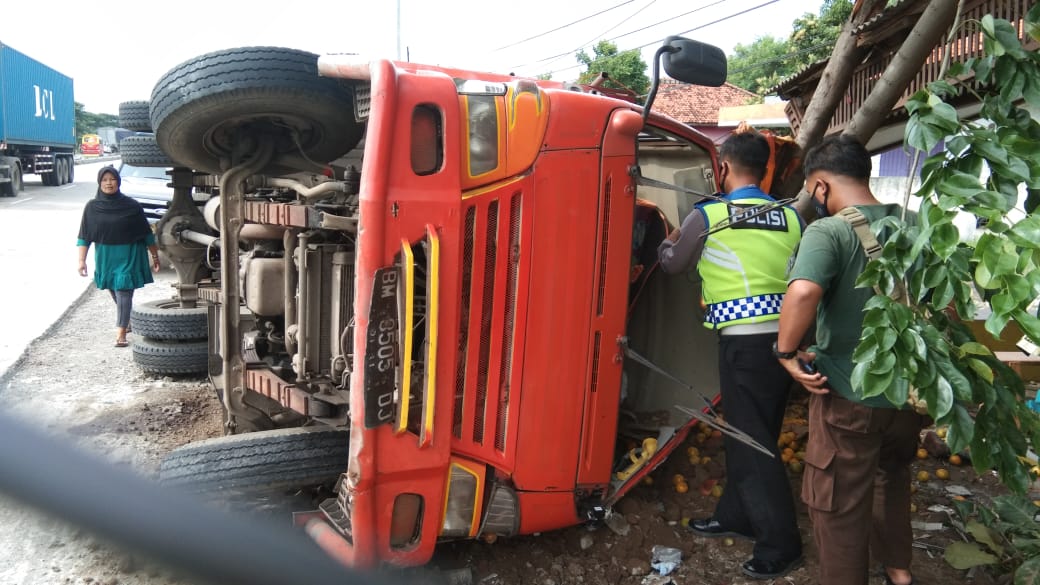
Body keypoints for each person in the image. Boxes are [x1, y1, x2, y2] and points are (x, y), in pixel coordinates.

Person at [774, 135, 929, 585]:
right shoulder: (915, 224)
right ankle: (899, 571)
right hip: (907, 394)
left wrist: (785, 353)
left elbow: (803, 291)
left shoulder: (830, 230)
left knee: (837, 502)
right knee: (891, 479)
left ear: (820, 186)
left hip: (850, 395)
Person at [657, 131, 804, 580]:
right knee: (754, 432)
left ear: (722, 167)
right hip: (784, 343)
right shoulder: (790, 216)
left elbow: (672, 263)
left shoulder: (710, 215)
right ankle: (737, 514)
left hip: (743, 343)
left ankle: (781, 545)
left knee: (754, 444)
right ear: (766, 170)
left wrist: (668, 239)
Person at [77, 165, 161, 347]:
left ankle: (121, 333)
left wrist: (155, 256)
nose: (109, 183)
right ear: (99, 183)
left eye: (112, 179)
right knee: (113, 288)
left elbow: (146, 233)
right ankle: (128, 320)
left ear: (118, 182)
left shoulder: (132, 206)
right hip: (105, 256)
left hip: (129, 253)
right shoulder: (92, 207)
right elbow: (84, 235)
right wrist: (81, 261)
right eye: (105, 180)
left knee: (123, 290)